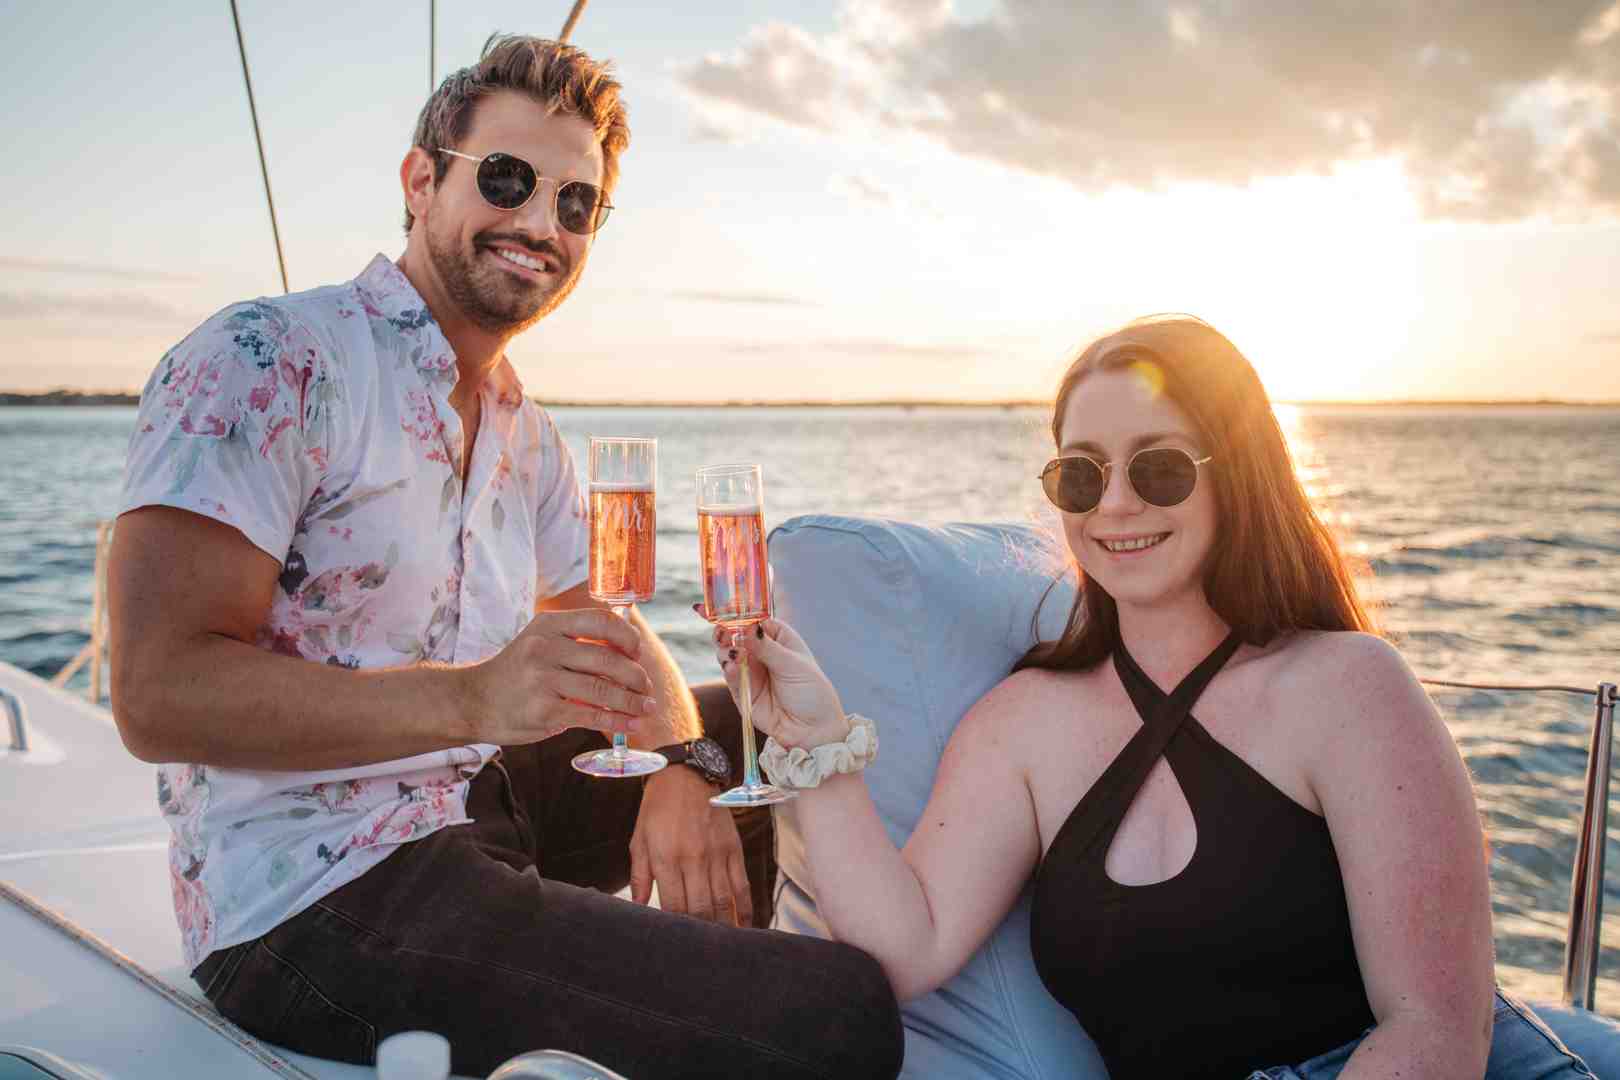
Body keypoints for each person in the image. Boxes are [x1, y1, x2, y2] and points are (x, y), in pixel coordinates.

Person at [107, 35, 901, 1079]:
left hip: (481, 804)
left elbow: (614, 638)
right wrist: (476, 698)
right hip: (310, 902)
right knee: (842, 1016)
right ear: (420, 180)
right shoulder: (269, 360)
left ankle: (683, 998)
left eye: (576, 203)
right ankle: (725, 1008)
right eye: (508, 179)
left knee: (753, 743)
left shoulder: (527, 432)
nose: (540, 224)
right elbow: (157, 694)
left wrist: (683, 765)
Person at [714, 315, 1594, 1078]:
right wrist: (813, 741)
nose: (1116, 505)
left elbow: (1436, 1032)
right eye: (1081, 475)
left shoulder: (1347, 687)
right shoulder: (1026, 723)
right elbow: (908, 948)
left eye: (1160, 468)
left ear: (1236, 472)